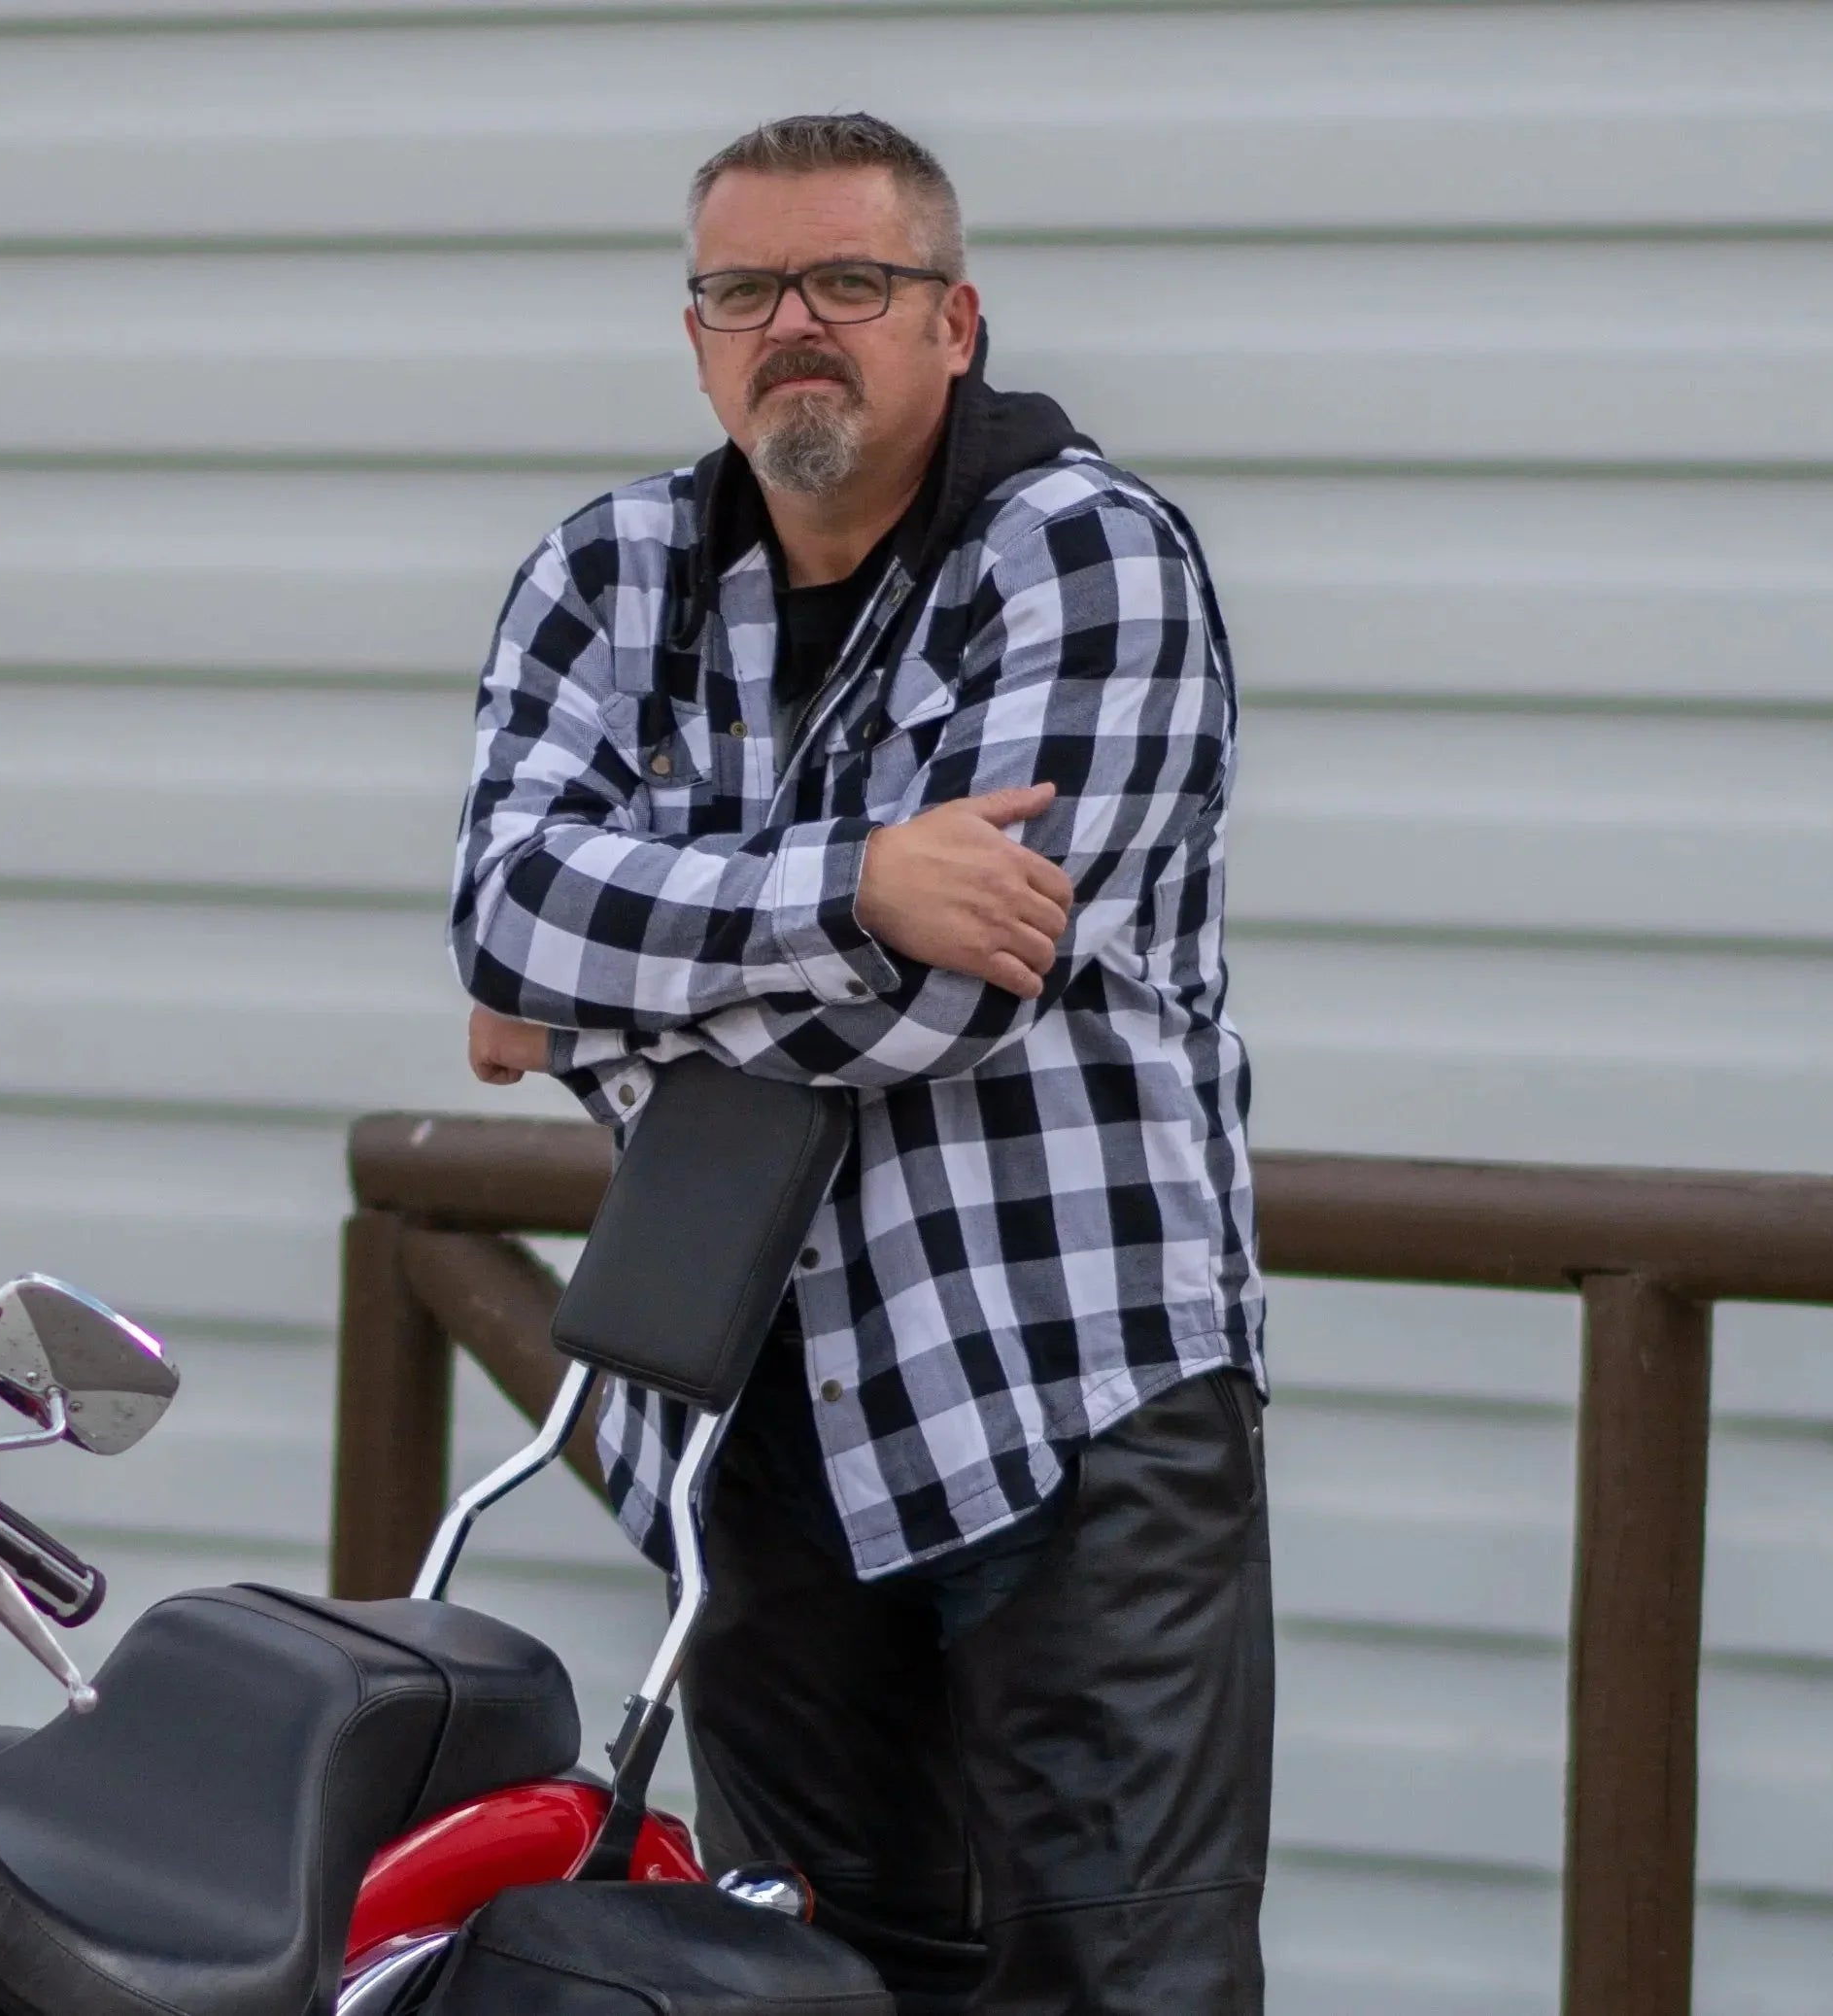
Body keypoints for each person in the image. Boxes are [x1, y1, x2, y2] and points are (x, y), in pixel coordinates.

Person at [451, 113, 1270, 2016]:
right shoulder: (605, 575)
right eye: (745, 288)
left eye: (853, 282)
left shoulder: (1092, 555)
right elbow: (500, 920)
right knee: (791, 1978)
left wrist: (610, 980)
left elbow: (944, 1003)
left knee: (1112, 1979)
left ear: (955, 322)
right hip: (749, 1410)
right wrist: (867, 877)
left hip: (1066, 1403)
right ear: (698, 332)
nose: (794, 323)